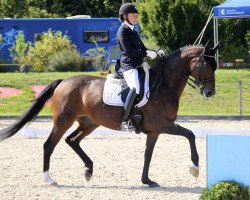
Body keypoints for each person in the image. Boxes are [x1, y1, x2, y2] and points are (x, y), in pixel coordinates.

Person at [116, 3, 163, 131]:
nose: (136, 18)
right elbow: (128, 51)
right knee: (136, 88)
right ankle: (125, 120)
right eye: (133, 15)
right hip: (129, 65)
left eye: (136, 15)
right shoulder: (122, 31)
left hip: (138, 65)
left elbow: (143, 48)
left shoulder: (133, 31)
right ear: (125, 16)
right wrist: (146, 53)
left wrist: (155, 51)